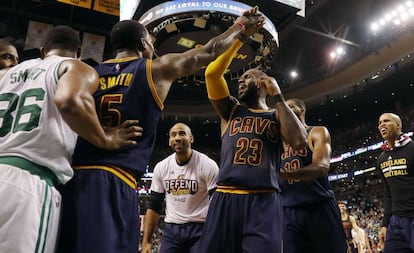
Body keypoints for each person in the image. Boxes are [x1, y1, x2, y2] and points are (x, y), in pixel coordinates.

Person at [57, 7, 266, 253]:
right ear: (144, 43)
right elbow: (208, 51)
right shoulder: (154, 69)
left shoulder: (87, 73)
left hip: (72, 179)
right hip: (114, 179)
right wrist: (240, 28)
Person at [0, 26, 141, 253]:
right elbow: (69, 100)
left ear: (43, 49)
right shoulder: (72, 66)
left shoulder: (6, 74)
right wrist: (105, 138)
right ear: (78, 51)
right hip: (28, 184)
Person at [195, 28, 308, 252]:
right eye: (241, 78)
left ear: (263, 83)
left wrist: (278, 97)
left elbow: (299, 142)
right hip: (226, 196)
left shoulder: (277, 114)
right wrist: (240, 39)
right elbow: (212, 75)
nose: (241, 81)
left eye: (248, 77)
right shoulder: (231, 110)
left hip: (264, 201)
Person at [277, 98, 348, 253]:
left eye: (290, 107)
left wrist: (282, 173)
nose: (285, 110)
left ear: (302, 110)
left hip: (319, 206)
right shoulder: (276, 142)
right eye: (283, 108)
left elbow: (321, 167)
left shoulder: (316, 131)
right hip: (288, 211)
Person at [141, 123, 219, 253]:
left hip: (201, 227)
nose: (177, 138)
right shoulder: (162, 167)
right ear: (170, 141)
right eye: (173, 135)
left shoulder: (208, 165)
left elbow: (217, 204)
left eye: (182, 133)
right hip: (172, 230)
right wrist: (146, 241)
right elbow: (154, 205)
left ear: (191, 138)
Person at [376, 112, 414, 253]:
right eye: (380, 123)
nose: (382, 125)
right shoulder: (381, 159)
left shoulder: (412, 149)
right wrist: (385, 224)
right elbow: (388, 194)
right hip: (396, 221)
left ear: (398, 125)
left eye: (386, 121)